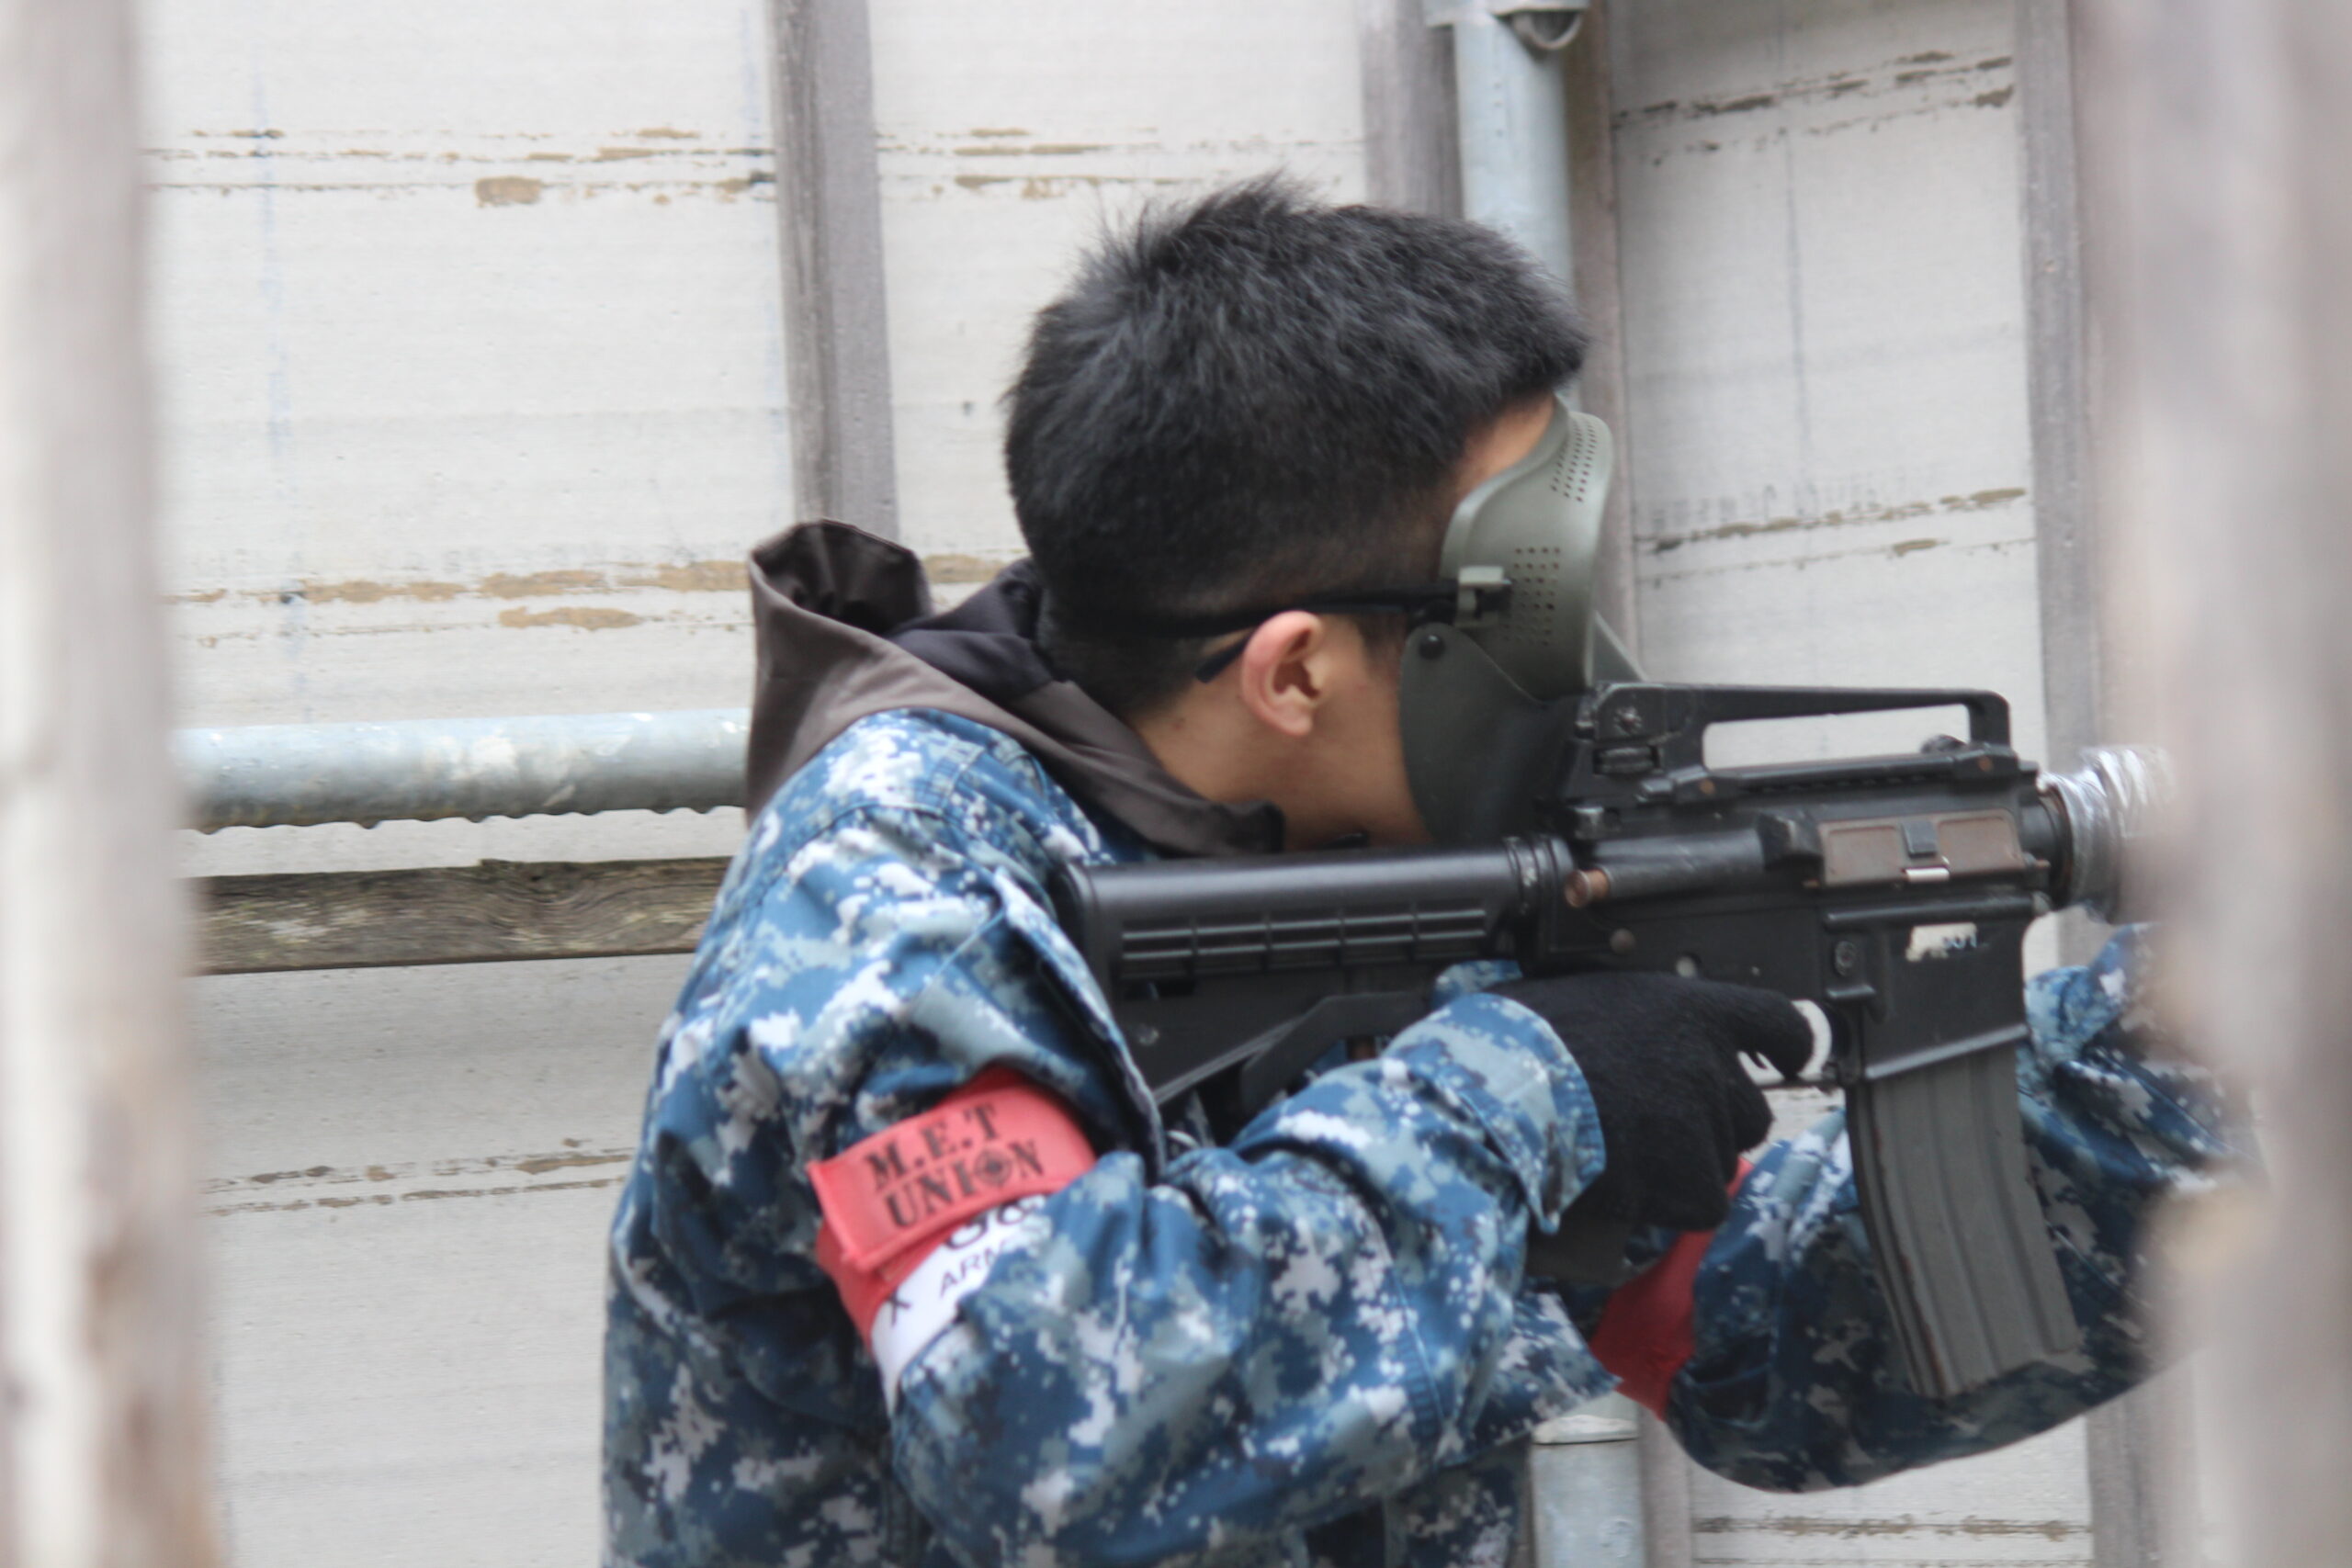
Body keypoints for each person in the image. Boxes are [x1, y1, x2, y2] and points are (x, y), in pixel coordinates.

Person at [601, 180, 2242, 1567]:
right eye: (1525, 607)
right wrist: (1528, 1088)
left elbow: (1757, 1347)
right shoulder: (898, 892)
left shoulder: (1394, 854)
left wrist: (2219, 1039)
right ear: (1293, 673)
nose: (1582, 665)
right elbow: (1036, 1427)